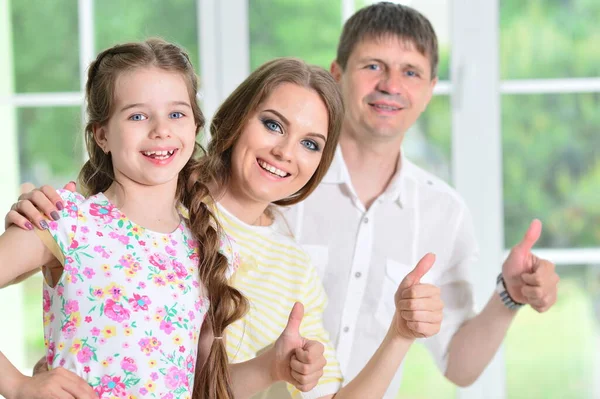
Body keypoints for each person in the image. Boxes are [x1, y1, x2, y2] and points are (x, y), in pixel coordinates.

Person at [5, 53, 446, 399]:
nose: (285, 152)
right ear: (234, 118)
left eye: (310, 143)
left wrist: (399, 334)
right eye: (273, 124)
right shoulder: (145, 196)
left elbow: (201, 386)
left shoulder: (271, 264)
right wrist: (19, 384)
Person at [269, 2, 558, 397]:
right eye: (373, 66)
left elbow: (459, 365)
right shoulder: (280, 182)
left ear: (429, 89)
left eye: (411, 72)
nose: (391, 85)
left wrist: (508, 296)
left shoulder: (444, 213)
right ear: (337, 74)